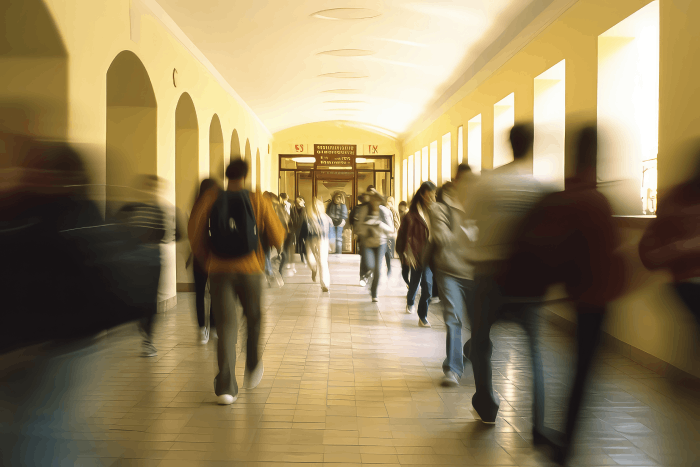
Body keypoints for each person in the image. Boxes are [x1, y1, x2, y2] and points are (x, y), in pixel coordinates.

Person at [502, 125, 624, 463]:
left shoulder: (565, 196)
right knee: (582, 373)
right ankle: (565, 445)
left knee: (578, 371)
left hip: (577, 293)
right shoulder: (596, 199)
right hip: (596, 298)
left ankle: (564, 443)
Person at [462, 123, 550, 437]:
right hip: (527, 280)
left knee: (482, 344)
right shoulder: (540, 187)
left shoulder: (488, 184)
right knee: (534, 352)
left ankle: (487, 406)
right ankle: (539, 423)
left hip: (488, 276)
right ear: (533, 144)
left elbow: (467, 221)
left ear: (509, 144)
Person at [188, 159, 285, 405]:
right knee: (254, 317)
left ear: (225, 175)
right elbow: (278, 236)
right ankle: (252, 364)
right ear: (245, 175)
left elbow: (194, 230)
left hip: (219, 270)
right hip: (250, 270)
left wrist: (207, 258)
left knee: (226, 326)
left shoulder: (210, 198)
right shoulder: (257, 199)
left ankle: (226, 388)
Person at [118, 174, 187, 357]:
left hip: (151, 260)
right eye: (149, 186)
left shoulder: (160, 210)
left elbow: (176, 233)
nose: (149, 190)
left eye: (153, 187)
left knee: (149, 300)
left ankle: (148, 339)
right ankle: (144, 330)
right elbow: (119, 230)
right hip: (138, 260)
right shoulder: (131, 209)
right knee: (139, 298)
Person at [639, 142, 700, 329]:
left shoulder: (677, 198)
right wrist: (684, 247)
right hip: (688, 283)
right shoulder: (678, 198)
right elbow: (649, 250)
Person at [430, 164, 478, 387]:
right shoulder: (439, 208)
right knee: (453, 318)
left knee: (481, 324)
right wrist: (472, 235)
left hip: (476, 273)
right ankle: (453, 369)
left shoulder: (479, 205)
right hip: (449, 270)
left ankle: (467, 351)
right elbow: (442, 237)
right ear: (456, 182)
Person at [396, 181, 437, 326]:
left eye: (434, 196)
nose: (432, 200)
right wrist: (406, 254)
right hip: (416, 255)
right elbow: (402, 236)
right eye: (429, 196)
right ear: (422, 195)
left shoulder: (435, 212)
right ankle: (410, 301)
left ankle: (422, 315)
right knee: (415, 282)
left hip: (430, 256)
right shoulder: (411, 216)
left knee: (427, 286)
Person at [191, 178, 219, 344]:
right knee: (207, 293)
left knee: (205, 294)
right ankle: (207, 328)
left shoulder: (200, 208)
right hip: (207, 257)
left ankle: (207, 328)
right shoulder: (200, 209)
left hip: (207, 257)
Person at [355, 190, 395, 302]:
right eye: (372, 199)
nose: (374, 202)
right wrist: (366, 229)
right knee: (370, 264)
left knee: (377, 268)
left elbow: (390, 227)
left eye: (376, 200)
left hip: (381, 242)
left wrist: (380, 225)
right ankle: (369, 279)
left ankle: (374, 292)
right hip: (368, 242)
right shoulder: (364, 209)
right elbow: (359, 226)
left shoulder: (384, 211)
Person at [305, 197, 333, 292]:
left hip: (322, 240)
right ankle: (314, 267)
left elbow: (331, 230)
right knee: (310, 259)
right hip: (311, 240)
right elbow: (303, 230)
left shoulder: (325, 217)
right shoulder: (309, 218)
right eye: (314, 206)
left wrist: (331, 242)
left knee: (322, 261)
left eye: (318, 206)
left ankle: (325, 284)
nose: (316, 208)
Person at [348, 192, 371, 286]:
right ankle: (363, 276)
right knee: (364, 257)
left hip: (370, 237)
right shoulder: (358, 209)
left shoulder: (371, 208)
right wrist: (355, 232)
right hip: (363, 237)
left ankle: (366, 274)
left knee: (366, 257)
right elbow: (351, 220)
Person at [385, 196, 401, 273]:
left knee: (390, 248)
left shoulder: (394, 211)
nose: (390, 203)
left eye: (391, 202)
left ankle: (389, 263)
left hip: (392, 232)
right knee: (389, 248)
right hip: (390, 232)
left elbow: (397, 222)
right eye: (389, 201)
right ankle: (389, 263)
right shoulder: (388, 210)